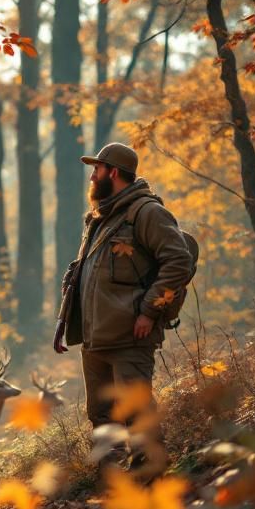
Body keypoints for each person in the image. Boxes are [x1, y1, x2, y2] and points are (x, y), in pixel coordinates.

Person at [54, 142, 193, 452]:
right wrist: (66, 318)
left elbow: (178, 262)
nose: (92, 177)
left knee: (138, 416)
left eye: (97, 170)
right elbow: (85, 271)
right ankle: (112, 489)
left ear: (113, 172)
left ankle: (150, 481)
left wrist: (149, 311)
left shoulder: (147, 212)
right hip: (96, 338)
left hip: (130, 336)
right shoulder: (100, 218)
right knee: (102, 419)